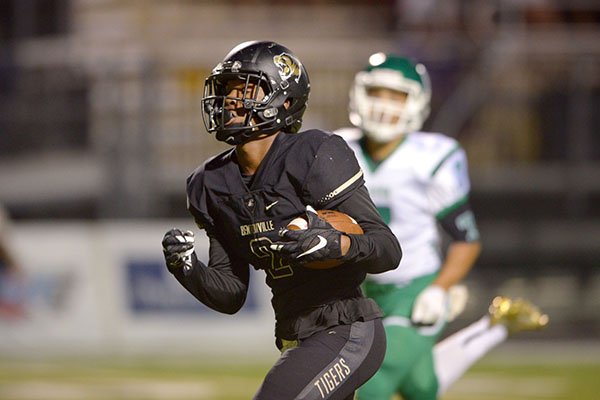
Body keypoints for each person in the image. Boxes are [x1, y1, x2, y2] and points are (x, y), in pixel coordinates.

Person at [161, 41, 402, 400]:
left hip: (346, 328)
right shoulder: (210, 183)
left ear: (284, 100)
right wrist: (186, 268)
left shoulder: (313, 154)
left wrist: (340, 244)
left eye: (245, 88)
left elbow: (387, 249)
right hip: (294, 333)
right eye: (227, 89)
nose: (230, 99)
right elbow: (231, 294)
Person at [336, 53, 547, 400]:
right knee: (420, 386)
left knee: (369, 377)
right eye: (376, 92)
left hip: (413, 287)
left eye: (396, 96)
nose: (384, 105)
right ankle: (494, 328)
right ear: (358, 94)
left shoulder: (432, 157)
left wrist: (440, 288)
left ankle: (480, 322)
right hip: (356, 289)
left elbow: (466, 240)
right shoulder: (336, 148)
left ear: (416, 103)